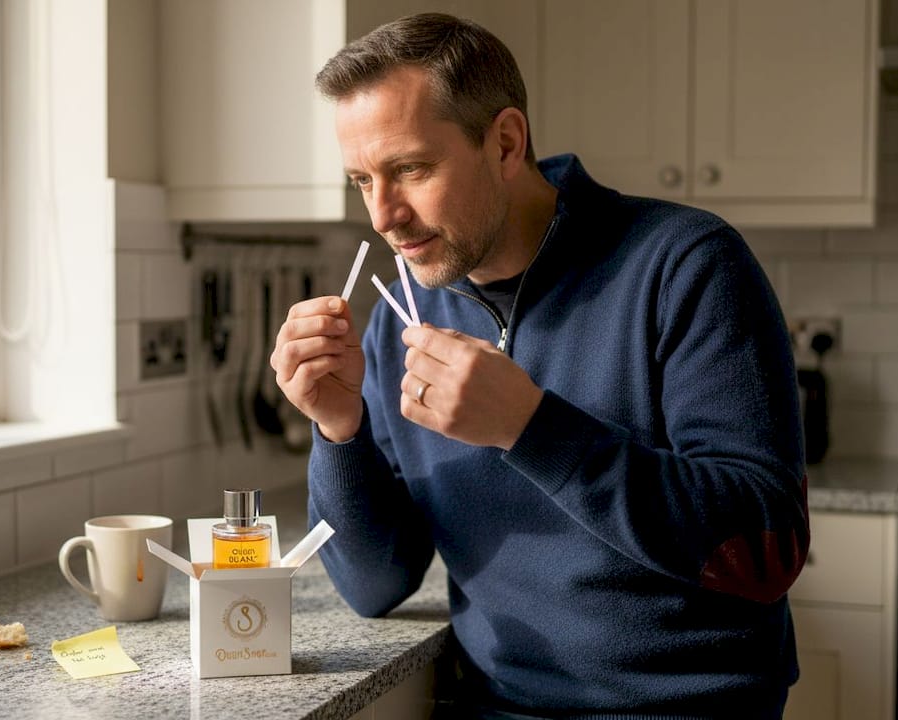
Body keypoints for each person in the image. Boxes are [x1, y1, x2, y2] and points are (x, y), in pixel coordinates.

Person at [271, 12, 809, 720]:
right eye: (362, 180)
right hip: (499, 708)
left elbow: (762, 552)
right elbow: (376, 585)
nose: (383, 216)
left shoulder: (686, 264)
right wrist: (340, 428)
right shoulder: (404, 316)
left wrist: (531, 428)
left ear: (505, 142)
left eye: (410, 169)